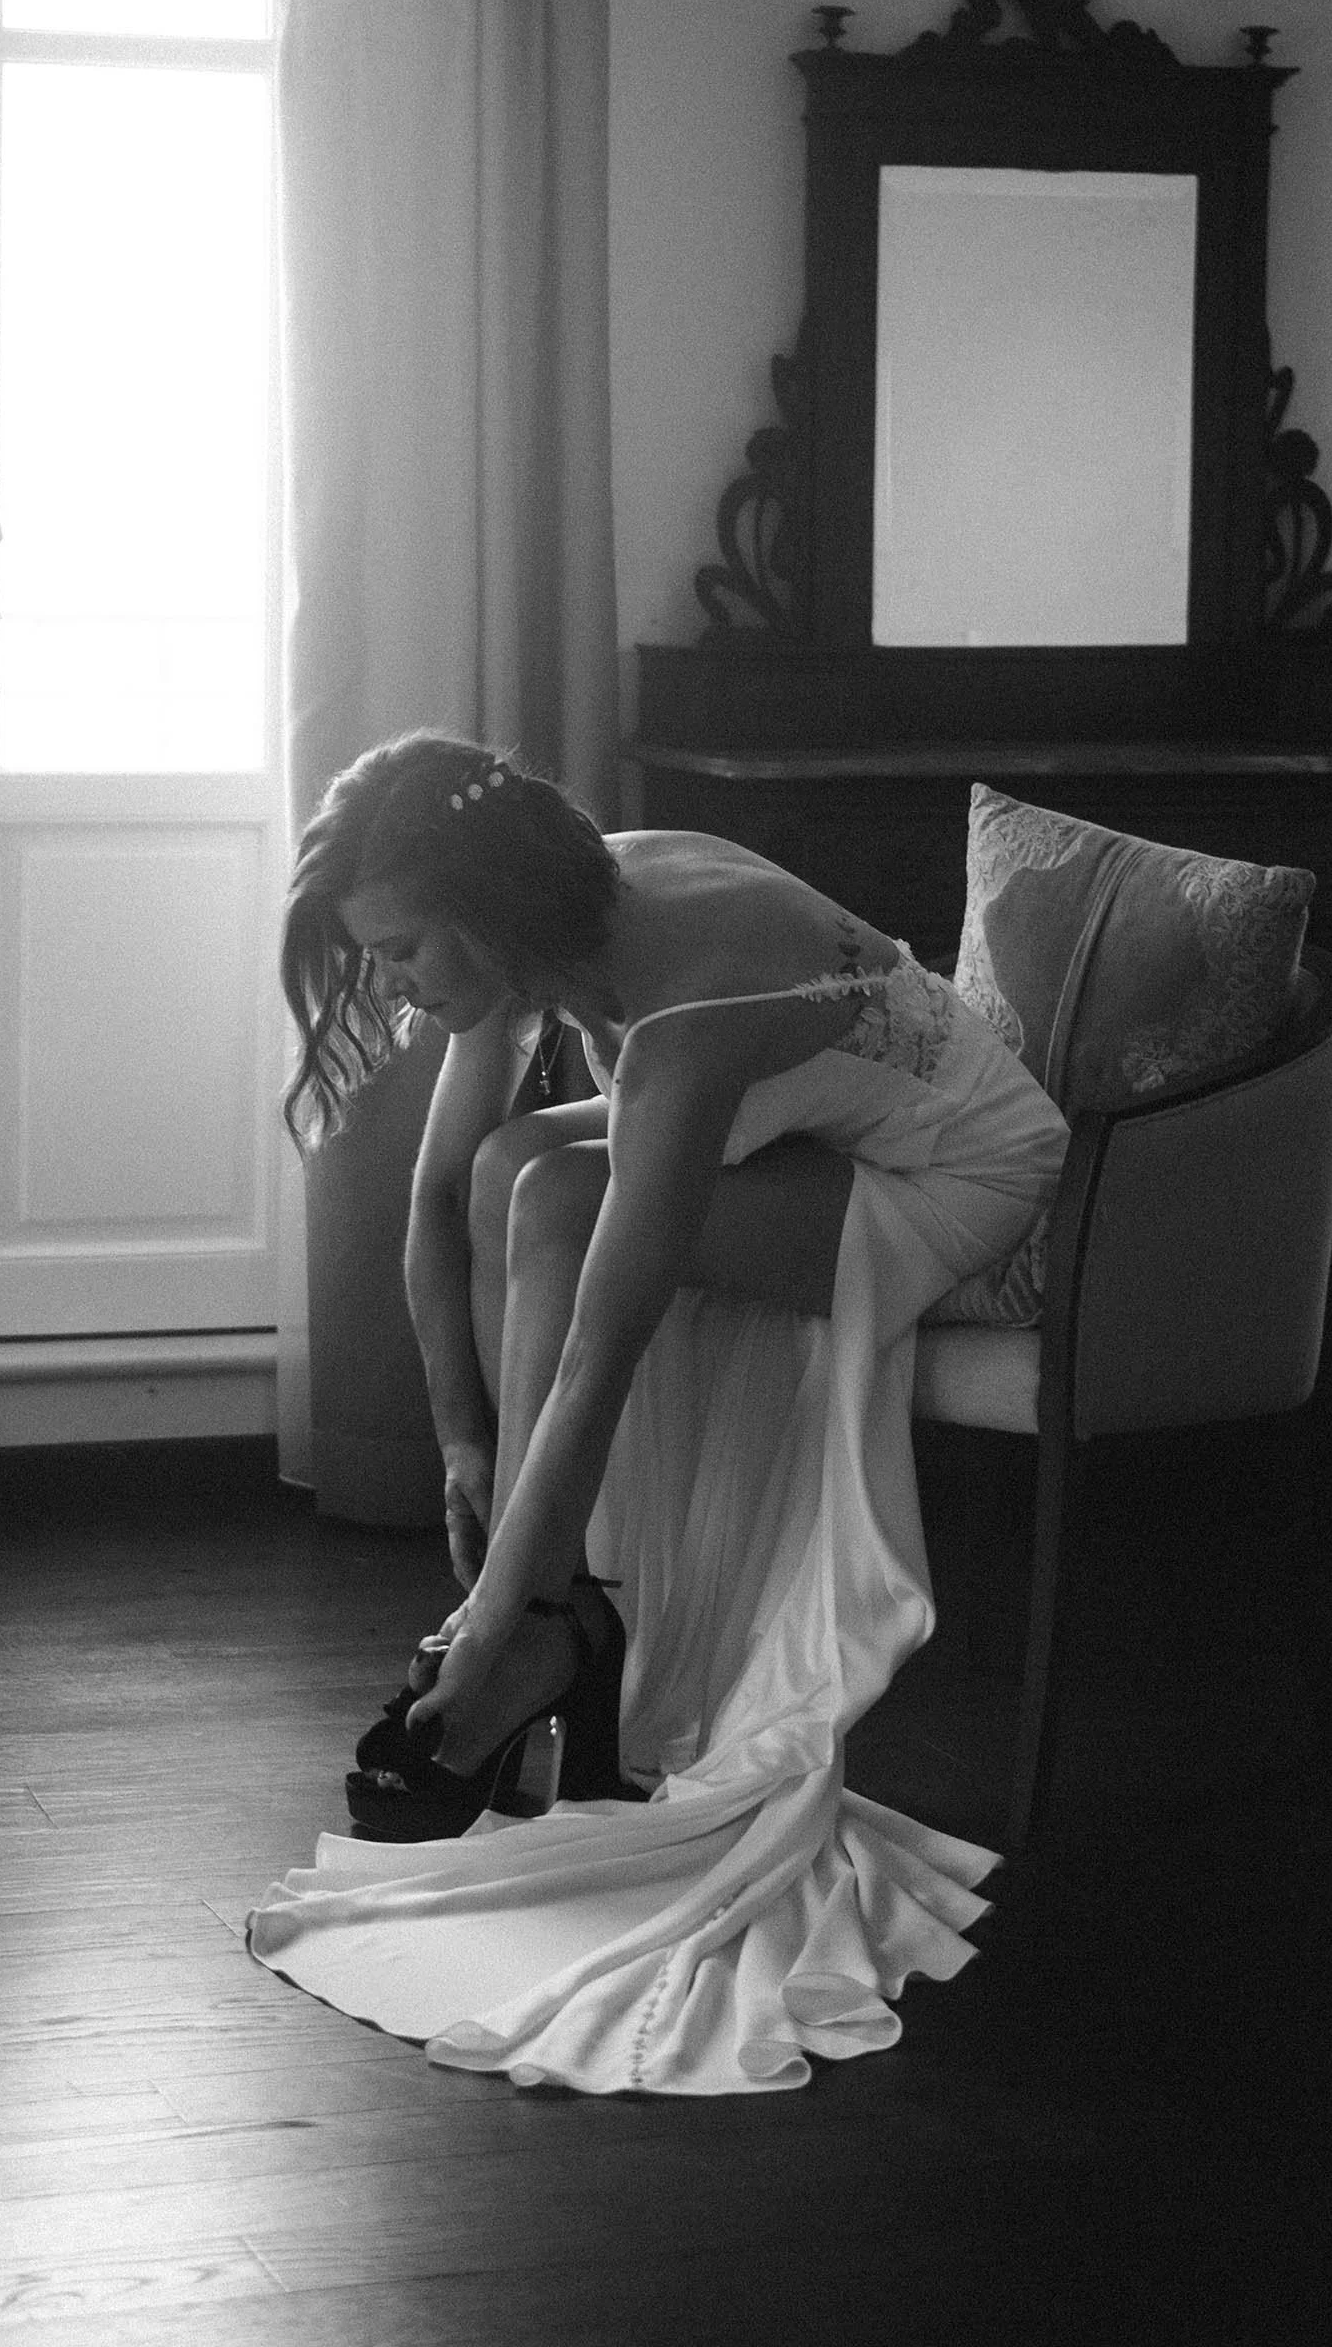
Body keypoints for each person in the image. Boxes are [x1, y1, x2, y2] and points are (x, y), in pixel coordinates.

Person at [248, 731, 1067, 2094]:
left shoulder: (684, 1007)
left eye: (400, 951)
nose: (387, 986)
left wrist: (493, 1599)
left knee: (560, 1195)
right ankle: (557, 1625)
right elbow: (440, 1196)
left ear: (484, 912)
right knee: (520, 1160)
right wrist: (460, 1445)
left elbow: (598, 1358)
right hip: (807, 1136)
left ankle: (553, 1631)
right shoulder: (549, 926)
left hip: (962, 1170)